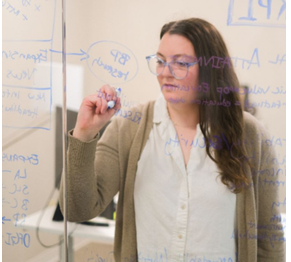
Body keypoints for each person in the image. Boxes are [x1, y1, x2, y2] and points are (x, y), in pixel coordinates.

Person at [60, 18, 285, 262]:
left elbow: (269, 237)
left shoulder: (251, 134)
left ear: (211, 68)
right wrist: (84, 132)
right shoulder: (129, 127)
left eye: (180, 63)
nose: (165, 73)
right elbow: (76, 209)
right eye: (160, 61)